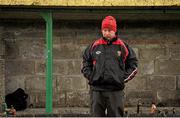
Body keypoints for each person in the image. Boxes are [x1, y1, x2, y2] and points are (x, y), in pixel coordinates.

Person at [81, 15, 138, 117]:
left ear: (115, 31)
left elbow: (133, 65)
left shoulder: (122, 46)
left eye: (109, 30)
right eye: (104, 30)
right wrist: (91, 76)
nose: (106, 33)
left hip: (115, 91)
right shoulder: (94, 46)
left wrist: (121, 78)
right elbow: (86, 61)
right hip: (97, 91)